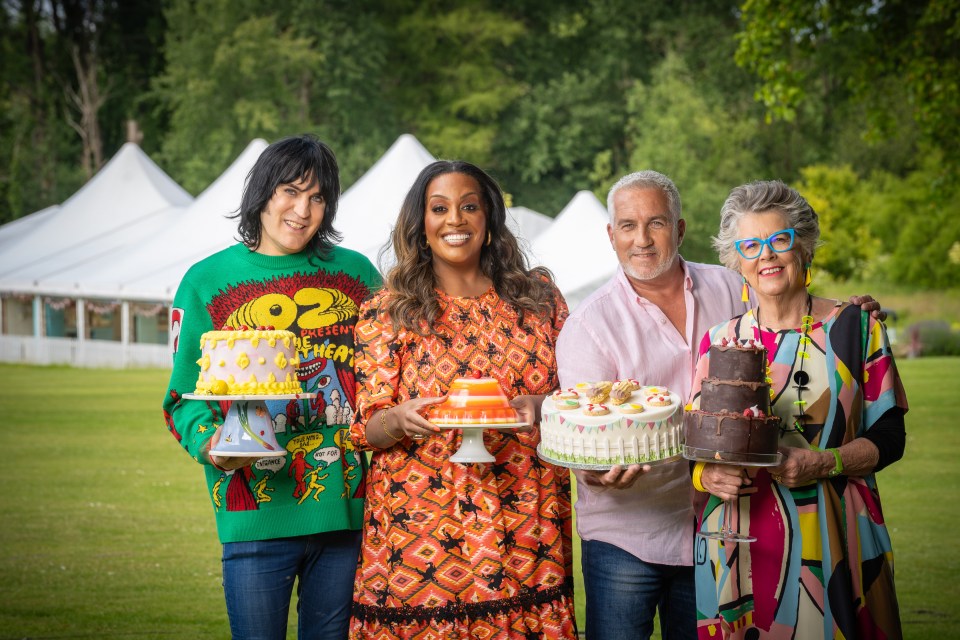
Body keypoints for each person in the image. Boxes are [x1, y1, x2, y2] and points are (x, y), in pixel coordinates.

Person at [555, 170, 884, 640]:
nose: (642, 239)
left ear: (681, 228)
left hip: (721, 530)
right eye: (628, 225)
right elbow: (593, 433)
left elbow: (792, 307)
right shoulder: (589, 326)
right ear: (611, 235)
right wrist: (592, 469)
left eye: (657, 223)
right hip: (629, 536)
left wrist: (852, 316)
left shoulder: (733, 289)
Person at [162, 134, 381, 640]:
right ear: (261, 192)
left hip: (344, 513)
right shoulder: (206, 282)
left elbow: (389, 374)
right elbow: (181, 400)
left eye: (318, 197)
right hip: (254, 515)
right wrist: (210, 444)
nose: (303, 210)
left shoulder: (358, 275)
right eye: (290, 191)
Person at [348, 160, 578, 638]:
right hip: (420, 535)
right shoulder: (389, 311)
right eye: (440, 209)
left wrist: (540, 406)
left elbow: (574, 397)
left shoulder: (539, 304)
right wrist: (397, 420)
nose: (455, 220)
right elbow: (365, 429)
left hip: (527, 527)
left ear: (490, 221)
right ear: (421, 225)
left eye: (469, 207)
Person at [690, 180, 906, 639]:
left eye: (779, 240)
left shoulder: (855, 330)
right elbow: (697, 446)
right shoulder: (719, 341)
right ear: (737, 263)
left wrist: (826, 462)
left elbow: (891, 439)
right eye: (751, 246)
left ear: (803, 247)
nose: (766, 256)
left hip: (835, 536)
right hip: (737, 539)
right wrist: (705, 476)